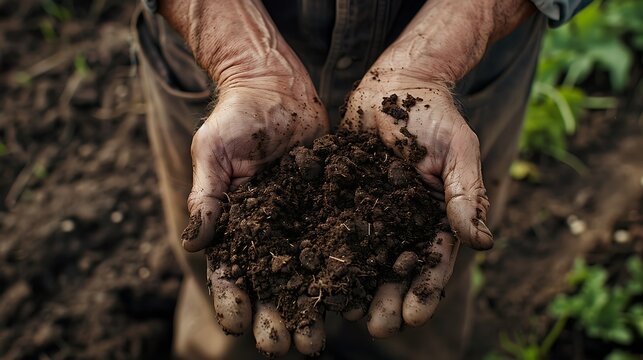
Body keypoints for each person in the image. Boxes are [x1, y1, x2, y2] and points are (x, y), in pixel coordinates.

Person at [132, 0, 590, 358]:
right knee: (227, 283)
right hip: (218, 38)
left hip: (461, 45)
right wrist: (242, 60)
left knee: (419, 303)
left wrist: (441, 51)